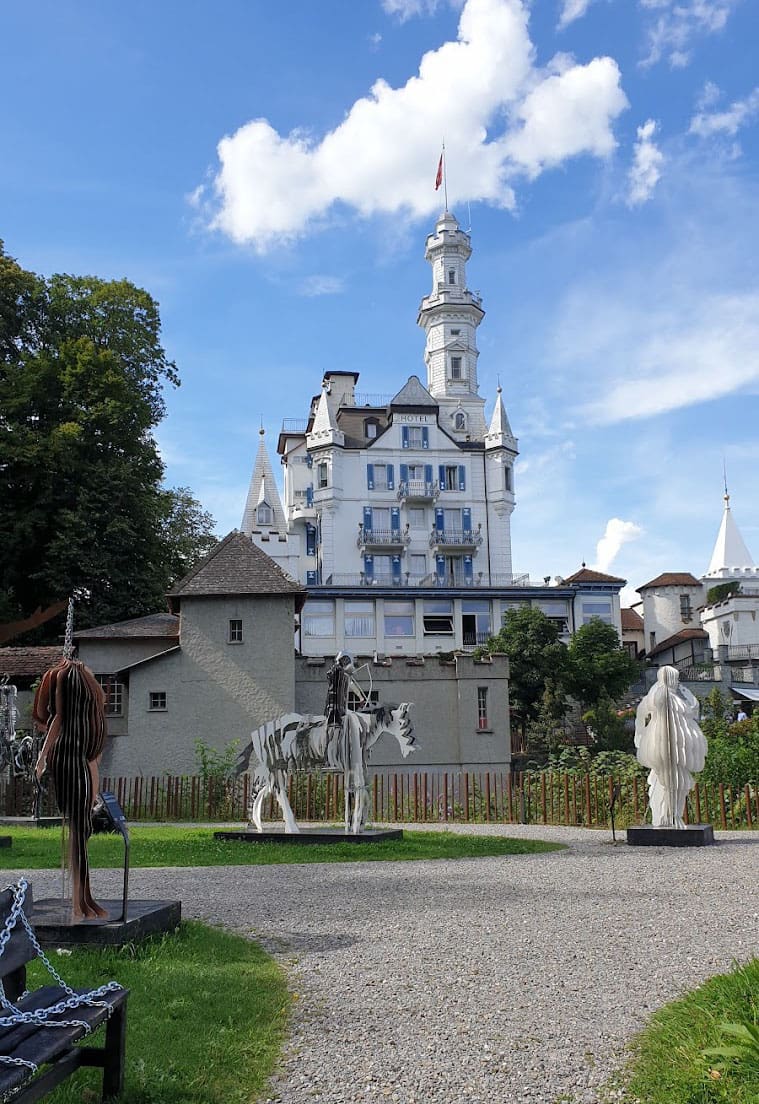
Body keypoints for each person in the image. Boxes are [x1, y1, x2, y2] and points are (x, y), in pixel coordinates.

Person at [33, 658, 108, 919]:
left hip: (81, 760)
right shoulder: (68, 682)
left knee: (82, 829)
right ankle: (78, 902)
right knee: (78, 831)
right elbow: (55, 720)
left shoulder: (88, 698)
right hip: (68, 761)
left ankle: (82, 898)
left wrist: (94, 791)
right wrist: (43, 758)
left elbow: (94, 760)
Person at [634, 666, 707, 829]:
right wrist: (640, 735)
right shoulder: (658, 695)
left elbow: (692, 711)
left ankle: (673, 815)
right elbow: (642, 711)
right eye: (676, 678)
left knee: (679, 784)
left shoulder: (674, 698)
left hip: (679, 749)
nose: (677, 682)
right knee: (667, 782)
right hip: (661, 747)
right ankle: (666, 816)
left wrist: (689, 696)